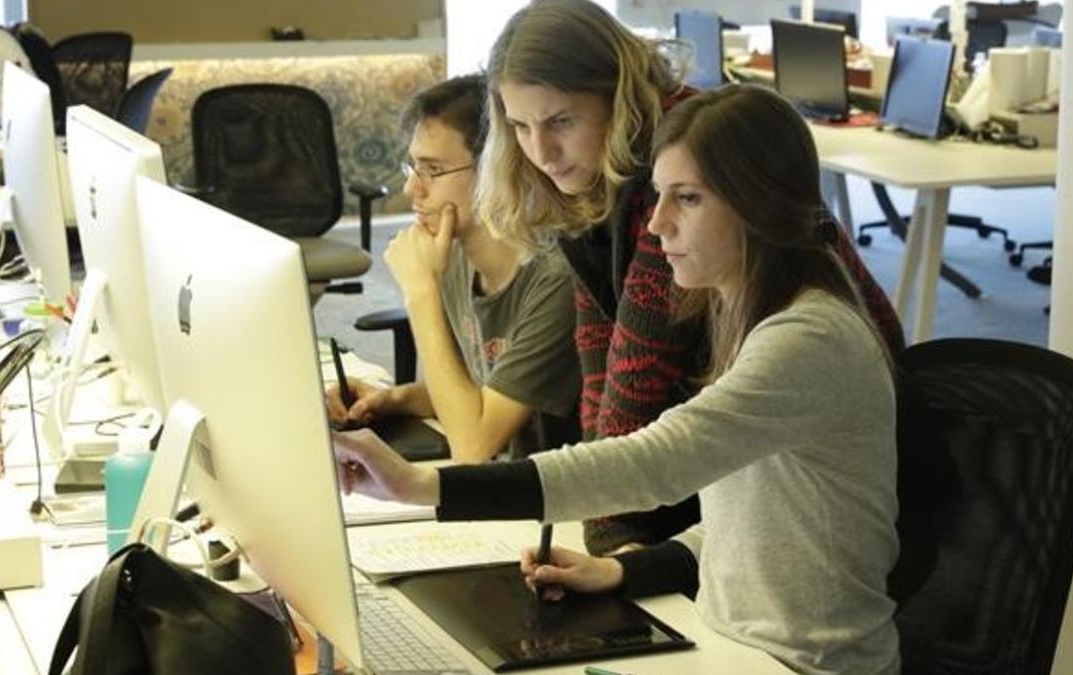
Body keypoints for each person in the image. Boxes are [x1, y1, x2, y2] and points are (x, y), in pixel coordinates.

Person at [334, 83, 901, 675]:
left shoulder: (809, 339)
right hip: (734, 646)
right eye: (658, 196)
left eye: (688, 199)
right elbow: (759, 518)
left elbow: (652, 463)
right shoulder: (751, 317)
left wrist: (425, 487)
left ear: (758, 205)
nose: (656, 225)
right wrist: (628, 569)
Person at [475, 0, 906, 555]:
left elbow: (637, 378)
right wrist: (604, 538)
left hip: (814, 464)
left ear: (616, 95)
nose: (540, 151)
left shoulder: (682, 168)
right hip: (732, 453)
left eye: (560, 121)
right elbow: (600, 361)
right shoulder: (599, 173)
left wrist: (610, 542)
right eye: (519, 127)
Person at [326, 75, 581, 463]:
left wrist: (421, 293)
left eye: (432, 169)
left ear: (497, 169)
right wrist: (395, 399)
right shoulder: (457, 256)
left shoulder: (555, 279)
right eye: (412, 167)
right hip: (504, 491)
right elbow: (476, 391)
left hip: (556, 507)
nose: (412, 189)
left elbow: (474, 447)